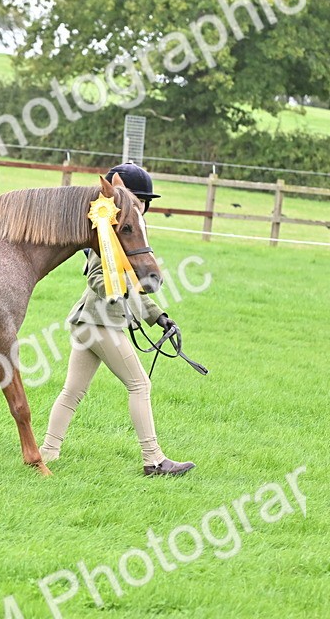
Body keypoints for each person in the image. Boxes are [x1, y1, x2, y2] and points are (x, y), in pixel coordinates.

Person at [39, 162, 196, 477]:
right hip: (101, 325)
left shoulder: (123, 236)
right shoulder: (107, 238)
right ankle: (153, 460)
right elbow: (98, 280)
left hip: (87, 323)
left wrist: (159, 317)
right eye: (143, 200)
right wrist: (122, 288)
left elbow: (134, 290)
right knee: (139, 384)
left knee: (72, 392)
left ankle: (47, 452)